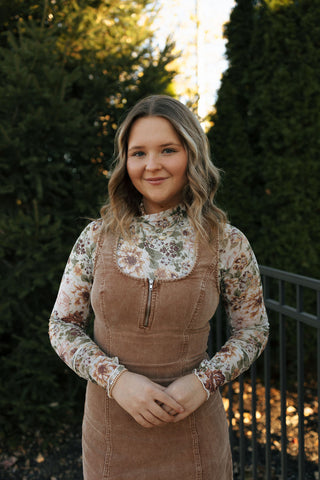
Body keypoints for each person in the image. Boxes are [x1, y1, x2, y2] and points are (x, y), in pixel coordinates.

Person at [49, 95, 269, 480]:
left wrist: (205, 381)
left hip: (195, 434)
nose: (151, 165)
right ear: (125, 161)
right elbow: (62, 325)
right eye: (138, 153)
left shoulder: (227, 242)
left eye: (167, 150)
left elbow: (253, 329)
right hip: (110, 434)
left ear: (192, 155)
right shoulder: (96, 238)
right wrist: (115, 379)